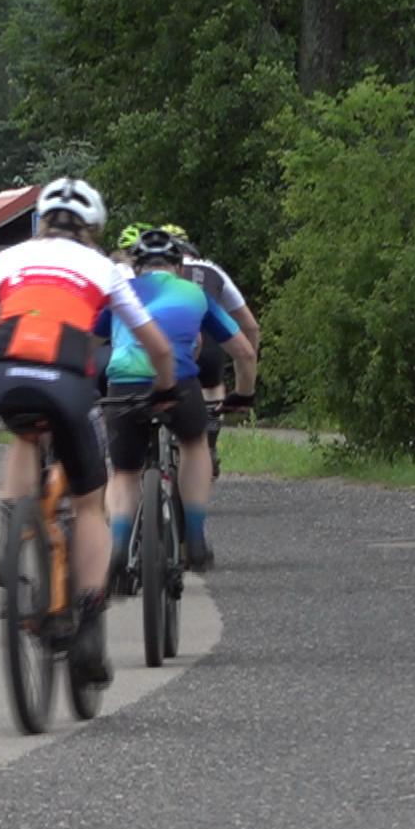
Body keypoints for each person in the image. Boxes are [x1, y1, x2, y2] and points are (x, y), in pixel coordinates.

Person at [0, 177, 175, 685]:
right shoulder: (104, 268)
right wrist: (163, 390)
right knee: (90, 502)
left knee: (26, 435)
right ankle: (89, 622)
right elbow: (156, 346)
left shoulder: (6, 262)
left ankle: (11, 533)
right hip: (67, 377)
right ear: (92, 228)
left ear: (40, 221)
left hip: (7, 371)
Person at [100, 229, 257, 577]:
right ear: (180, 268)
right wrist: (244, 394)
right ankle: (196, 538)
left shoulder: (119, 294)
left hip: (123, 385)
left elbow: (89, 340)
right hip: (180, 385)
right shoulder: (196, 294)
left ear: (136, 268)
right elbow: (244, 351)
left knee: (125, 472)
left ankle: (119, 544)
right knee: (194, 443)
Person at [174, 233, 261, 473]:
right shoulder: (211, 269)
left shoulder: (150, 272)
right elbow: (251, 326)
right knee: (213, 386)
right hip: (209, 343)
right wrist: (248, 370)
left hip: (164, 348)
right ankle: (210, 441)